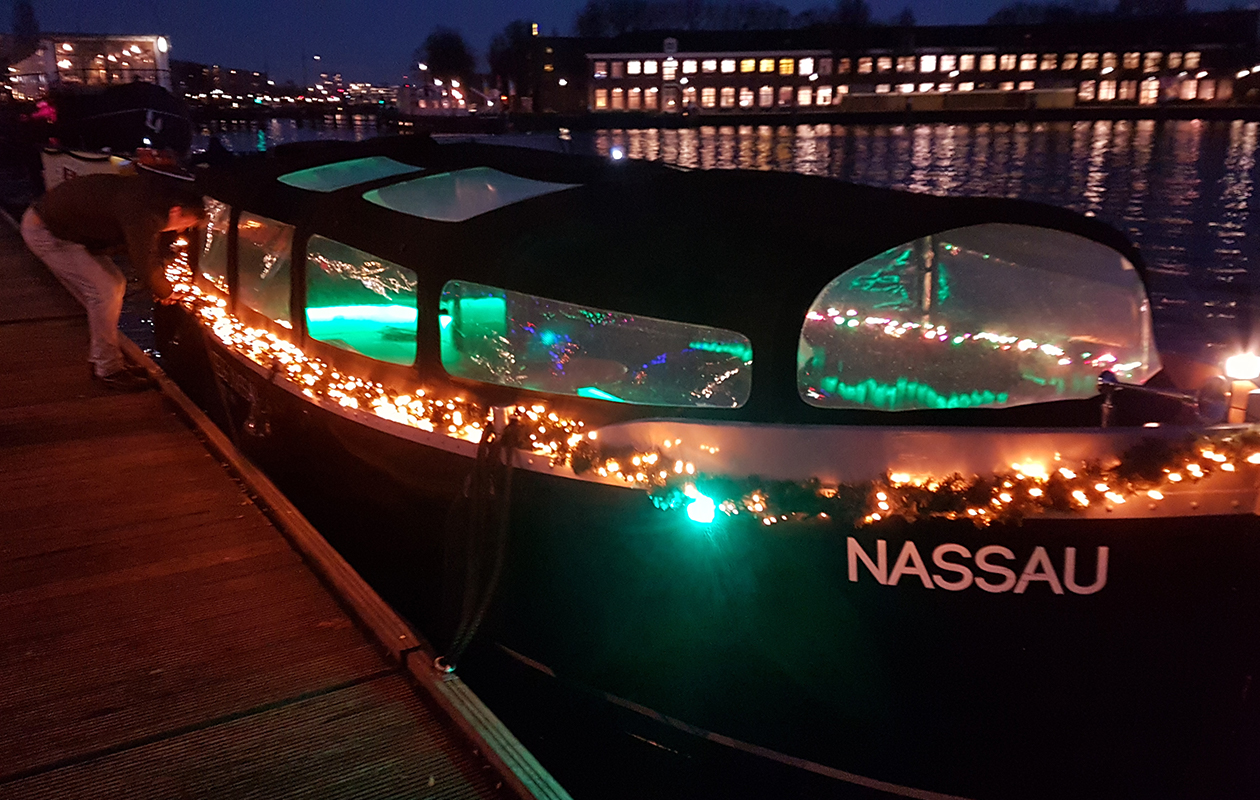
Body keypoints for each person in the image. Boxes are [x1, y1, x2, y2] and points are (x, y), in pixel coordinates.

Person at [21, 169, 205, 390]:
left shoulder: (150, 200)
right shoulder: (144, 213)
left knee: (115, 284)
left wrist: (160, 283)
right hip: (47, 232)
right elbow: (144, 257)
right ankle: (108, 369)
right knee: (104, 291)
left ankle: (104, 359)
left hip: (63, 229)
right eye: (185, 223)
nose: (182, 229)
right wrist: (165, 291)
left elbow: (147, 248)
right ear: (176, 210)